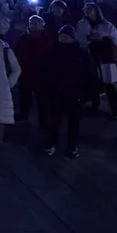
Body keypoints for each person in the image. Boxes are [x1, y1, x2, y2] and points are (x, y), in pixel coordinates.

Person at [41, 25, 94, 156]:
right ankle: (51, 143)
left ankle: (72, 146)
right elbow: (45, 72)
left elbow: (89, 74)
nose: (63, 38)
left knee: (74, 123)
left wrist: (86, 94)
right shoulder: (52, 51)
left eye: (66, 36)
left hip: (74, 94)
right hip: (55, 93)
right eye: (61, 36)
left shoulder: (81, 54)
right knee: (53, 122)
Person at [76, 2, 117, 119]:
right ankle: (95, 106)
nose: (87, 11)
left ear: (96, 10)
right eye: (85, 8)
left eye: (90, 8)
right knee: (93, 81)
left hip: (105, 57)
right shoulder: (81, 24)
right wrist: (88, 39)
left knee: (109, 84)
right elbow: (79, 39)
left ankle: (116, 110)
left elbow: (116, 41)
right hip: (90, 56)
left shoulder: (107, 25)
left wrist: (102, 38)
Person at [11, 15, 52, 124]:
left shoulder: (47, 38)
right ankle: (24, 114)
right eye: (31, 23)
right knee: (25, 95)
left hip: (41, 73)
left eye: (36, 23)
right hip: (25, 71)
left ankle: (44, 120)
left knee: (41, 98)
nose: (33, 25)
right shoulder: (23, 38)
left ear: (42, 24)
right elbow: (16, 52)